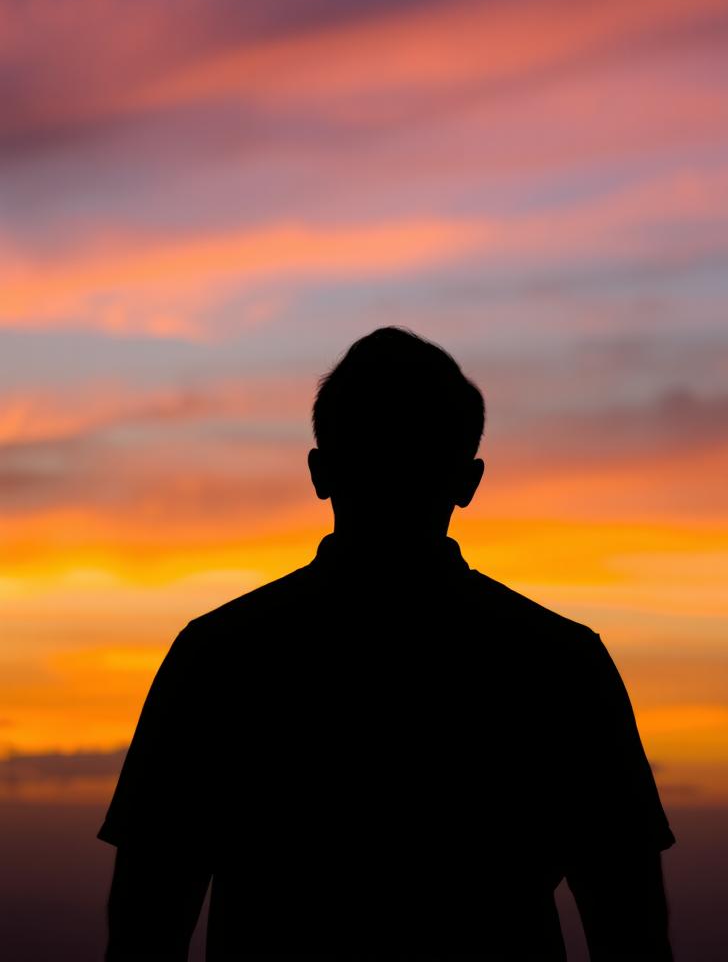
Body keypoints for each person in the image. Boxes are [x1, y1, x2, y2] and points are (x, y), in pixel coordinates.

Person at [99, 326, 675, 960]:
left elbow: (145, 922)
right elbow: (631, 925)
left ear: (320, 473)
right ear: (468, 481)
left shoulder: (217, 656)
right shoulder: (562, 663)